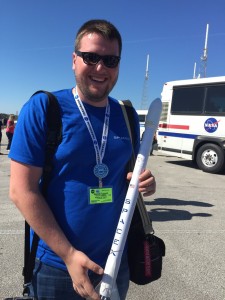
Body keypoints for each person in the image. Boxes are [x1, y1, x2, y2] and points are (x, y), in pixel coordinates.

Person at [9, 19, 156, 300]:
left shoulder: (126, 116)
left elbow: (125, 177)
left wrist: (143, 182)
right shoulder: (44, 108)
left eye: (110, 60)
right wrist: (68, 255)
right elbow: (21, 191)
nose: (101, 68)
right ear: (74, 60)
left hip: (113, 264)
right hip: (56, 263)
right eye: (91, 57)